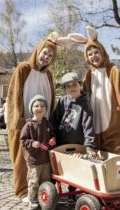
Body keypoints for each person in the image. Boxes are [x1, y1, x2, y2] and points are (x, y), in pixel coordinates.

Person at [6, 32, 69, 201]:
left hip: (44, 123)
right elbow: (14, 95)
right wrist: (17, 121)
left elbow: (52, 99)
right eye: (45, 53)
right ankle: (23, 191)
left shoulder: (48, 75)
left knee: (43, 158)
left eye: (51, 55)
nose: (47, 57)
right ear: (38, 51)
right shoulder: (23, 69)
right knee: (23, 159)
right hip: (25, 123)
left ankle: (43, 189)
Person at [68, 26, 120, 154]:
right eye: (90, 54)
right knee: (95, 154)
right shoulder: (89, 74)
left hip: (112, 121)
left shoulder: (113, 70)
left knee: (113, 154)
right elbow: (83, 95)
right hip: (95, 121)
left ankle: (115, 173)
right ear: (86, 57)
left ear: (102, 53)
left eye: (96, 53)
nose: (93, 56)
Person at [50, 72, 97, 201]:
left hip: (75, 143)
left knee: (73, 168)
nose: (72, 88)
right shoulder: (63, 101)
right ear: (64, 89)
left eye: (74, 84)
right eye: (68, 86)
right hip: (60, 140)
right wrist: (52, 135)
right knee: (55, 166)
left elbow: (88, 126)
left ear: (80, 85)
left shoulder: (85, 104)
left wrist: (90, 146)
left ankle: (71, 192)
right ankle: (51, 191)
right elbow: (54, 120)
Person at [20, 95, 56, 209]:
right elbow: (23, 140)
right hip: (34, 160)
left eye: (42, 106)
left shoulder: (47, 123)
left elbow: (53, 135)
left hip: (45, 159)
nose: (39, 108)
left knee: (45, 180)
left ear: (45, 109)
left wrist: (52, 140)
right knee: (33, 181)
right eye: (36, 106)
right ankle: (32, 199)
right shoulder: (28, 125)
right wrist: (31, 143)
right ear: (32, 109)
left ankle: (44, 198)